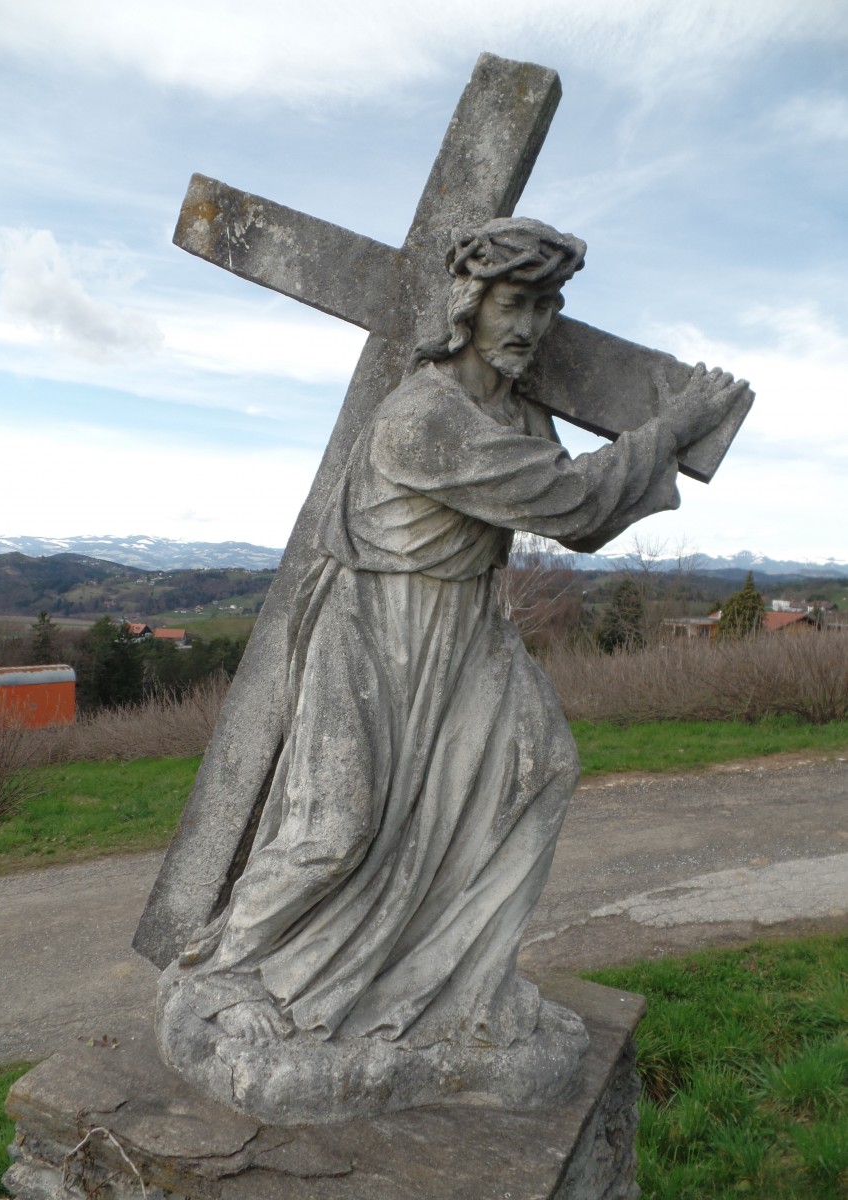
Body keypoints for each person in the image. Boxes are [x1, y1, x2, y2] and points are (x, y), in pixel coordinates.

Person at [157, 218, 744, 1062]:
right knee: (336, 831)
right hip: (377, 635)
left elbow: (578, 521)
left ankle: (461, 986)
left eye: (546, 308)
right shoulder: (422, 417)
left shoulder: (510, 409)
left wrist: (648, 438)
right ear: (468, 302)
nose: (530, 327)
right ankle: (224, 978)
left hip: (466, 626)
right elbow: (569, 499)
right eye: (515, 302)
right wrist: (671, 427)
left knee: (535, 771)